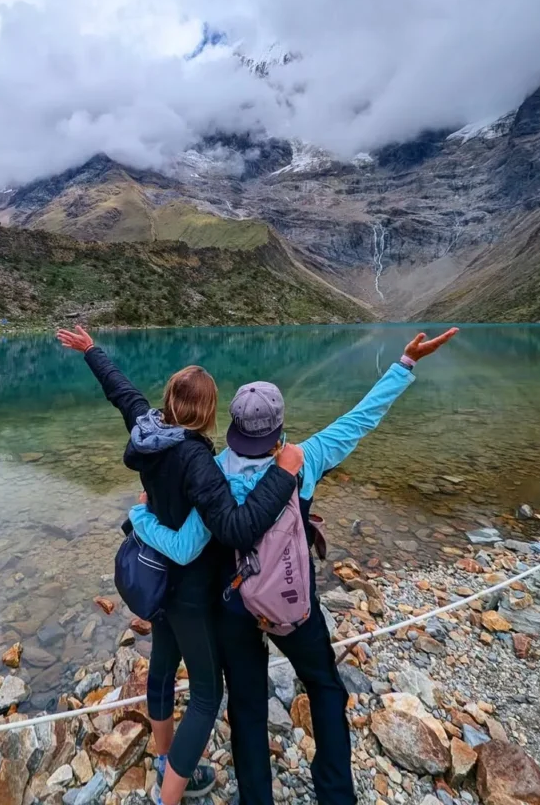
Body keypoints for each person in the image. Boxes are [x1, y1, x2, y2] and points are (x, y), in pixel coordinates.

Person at [132, 329, 458, 805]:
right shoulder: (304, 458)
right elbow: (362, 418)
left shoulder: (211, 468)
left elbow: (183, 535)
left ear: (233, 426)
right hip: (292, 601)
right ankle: (334, 792)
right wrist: (404, 363)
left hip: (233, 606)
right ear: (279, 427)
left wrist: (140, 514)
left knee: (246, 708)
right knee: (325, 687)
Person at [55, 325, 304, 805]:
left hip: (158, 584)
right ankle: (169, 795)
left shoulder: (147, 428)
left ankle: (164, 756)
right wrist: (282, 475)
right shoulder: (197, 461)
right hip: (190, 591)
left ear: (168, 400)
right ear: (209, 413)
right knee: (207, 695)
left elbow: (122, 394)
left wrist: (92, 351)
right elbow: (236, 528)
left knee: (163, 669)